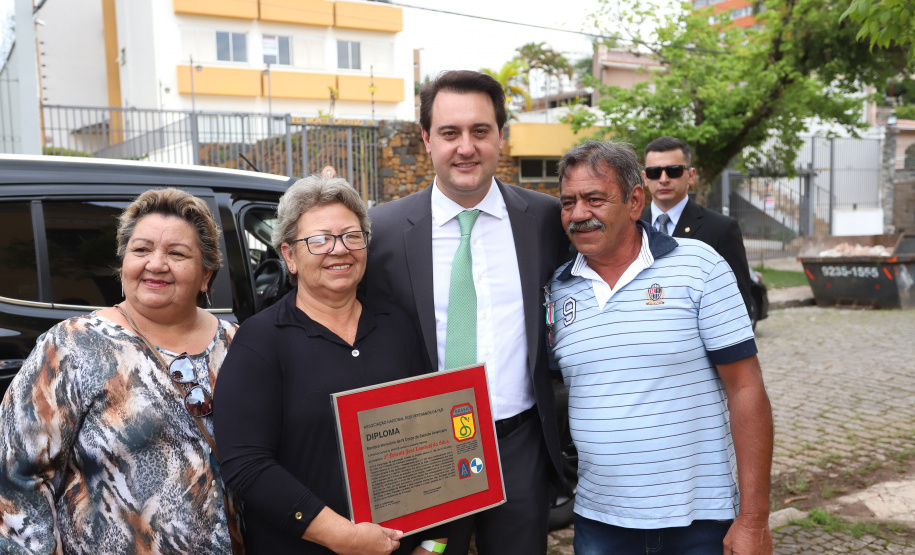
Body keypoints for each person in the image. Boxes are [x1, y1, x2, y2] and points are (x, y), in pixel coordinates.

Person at [363, 70, 570, 555]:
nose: (466, 147)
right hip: (423, 447)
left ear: (502, 135)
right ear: (426, 139)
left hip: (518, 443)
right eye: (450, 133)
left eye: (480, 131)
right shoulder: (383, 230)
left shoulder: (544, 219)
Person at [548, 141, 774, 554]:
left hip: (700, 522)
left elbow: (746, 388)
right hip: (599, 523)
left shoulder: (700, 265)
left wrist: (754, 520)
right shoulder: (556, 289)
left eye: (595, 199)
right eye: (568, 202)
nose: (579, 214)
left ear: (635, 201)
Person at [0, 188, 243, 553]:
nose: (156, 264)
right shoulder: (71, 346)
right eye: (141, 250)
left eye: (177, 253)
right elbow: (15, 478)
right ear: (124, 261)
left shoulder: (237, 344)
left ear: (206, 274)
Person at [213, 175, 445, 555]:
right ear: (289, 255)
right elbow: (247, 466)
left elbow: (434, 437)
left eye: (352, 236)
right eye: (319, 240)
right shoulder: (260, 340)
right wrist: (344, 537)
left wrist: (434, 544)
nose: (340, 250)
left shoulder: (398, 325)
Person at [640, 136, 755, 320]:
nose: (663, 179)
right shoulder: (630, 225)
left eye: (673, 171)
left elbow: (737, 303)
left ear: (691, 175)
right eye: (654, 172)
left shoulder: (721, 229)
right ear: (645, 178)